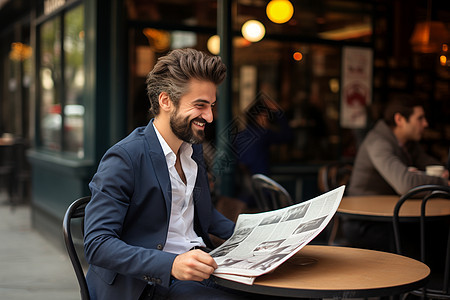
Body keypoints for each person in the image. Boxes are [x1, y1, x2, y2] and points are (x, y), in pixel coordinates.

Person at [83, 48, 244, 300]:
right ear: (166, 101)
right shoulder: (124, 158)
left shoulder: (192, 149)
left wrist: (252, 234)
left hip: (200, 270)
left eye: (212, 106)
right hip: (145, 284)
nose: (210, 117)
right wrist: (171, 264)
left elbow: (202, 214)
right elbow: (97, 244)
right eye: (200, 105)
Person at [348, 96, 449, 196]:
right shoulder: (378, 142)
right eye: (420, 118)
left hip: (391, 203)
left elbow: (431, 165)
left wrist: (443, 173)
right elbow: (405, 185)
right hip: (363, 206)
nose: (425, 123)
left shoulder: (409, 143)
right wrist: (444, 183)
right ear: (399, 119)